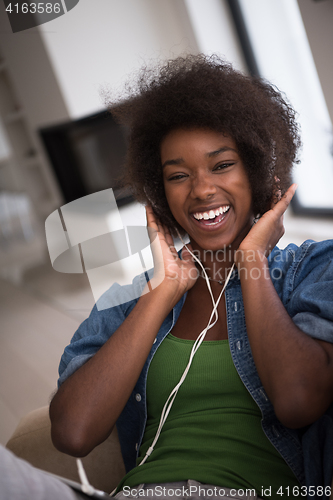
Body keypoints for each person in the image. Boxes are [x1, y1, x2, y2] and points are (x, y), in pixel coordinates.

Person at [2, 54, 332, 500]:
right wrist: (163, 292)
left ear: (257, 172)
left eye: (221, 165)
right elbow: (74, 432)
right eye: (178, 175)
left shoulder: (313, 270)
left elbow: (297, 401)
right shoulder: (129, 299)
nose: (200, 190)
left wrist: (252, 258)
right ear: (160, 192)